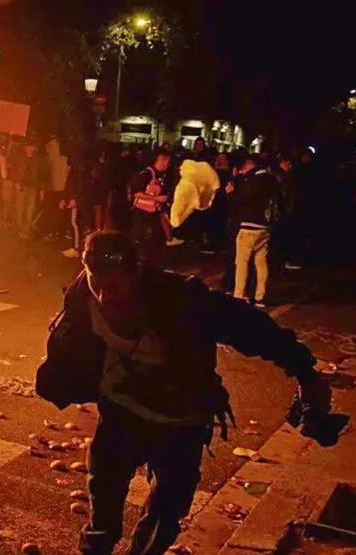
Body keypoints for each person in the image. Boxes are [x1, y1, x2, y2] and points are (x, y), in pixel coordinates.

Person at [36, 231, 334, 555]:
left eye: (114, 288)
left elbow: (251, 327)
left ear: (135, 275)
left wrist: (306, 373)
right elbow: (68, 348)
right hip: (121, 413)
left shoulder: (181, 300)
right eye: (98, 285)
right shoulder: (82, 299)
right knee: (104, 496)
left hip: (181, 422)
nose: (105, 297)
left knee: (166, 513)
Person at [231, 156, 282, 308]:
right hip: (265, 226)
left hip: (249, 225)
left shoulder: (253, 181)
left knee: (242, 262)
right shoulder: (273, 180)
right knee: (261, 262)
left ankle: (239, 295)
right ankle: (260, 296)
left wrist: (231, 193)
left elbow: (241, 200)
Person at [128, 149, 173, 265]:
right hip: (142, 213)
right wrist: (156, 198)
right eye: (167, 162)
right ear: (161, 160)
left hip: (153, 212)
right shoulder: (147, 174)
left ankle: (150, 262)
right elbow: (136, 192)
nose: (168, 165)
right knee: (140, 239)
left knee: (153, 240)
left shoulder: (161, 175)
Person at [15, 139, 46, 239]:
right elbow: (15, 172)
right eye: (28, 147)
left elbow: (42, 176)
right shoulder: (20, 159)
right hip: (22, 187)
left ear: (35, 149)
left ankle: (26, 231)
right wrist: (16, 183)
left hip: (33, 188)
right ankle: (20, 229)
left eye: (31, 147)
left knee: (30, 211)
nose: (29, 149)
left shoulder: (39, 161)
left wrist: (42, 190)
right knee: (20, 209)